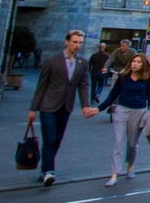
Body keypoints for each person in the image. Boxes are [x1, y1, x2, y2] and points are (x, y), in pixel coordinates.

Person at [29, 29, 98, 187]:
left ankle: (45, 169)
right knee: (50, 138)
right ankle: (49, 171)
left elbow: (83, 85)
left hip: (66, 106)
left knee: (57, 140)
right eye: (74, 42)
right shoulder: (52, 61)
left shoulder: (82, 62)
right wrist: (33, 109)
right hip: (48, 105)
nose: (77, 45)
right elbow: (41, 86)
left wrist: (85, 105)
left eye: (80, 43)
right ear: (67, 42)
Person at [96, 52, 150, 187]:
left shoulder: (148, 79)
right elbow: (113, 95)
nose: (135, 64)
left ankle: (130, 165)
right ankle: (114, 174)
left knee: (132, 144)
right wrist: (99, 109)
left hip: (139, 112)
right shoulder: (123, 77)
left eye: (138, 62)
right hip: (122, 110)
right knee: (118, 142)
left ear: (144, 65)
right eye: (133, 61)